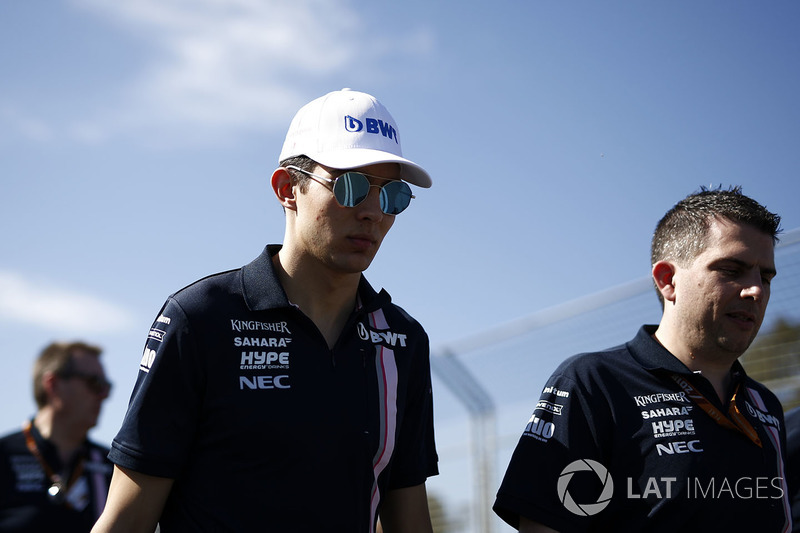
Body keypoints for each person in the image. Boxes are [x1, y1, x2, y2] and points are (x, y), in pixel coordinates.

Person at [92, 88, 438, 533]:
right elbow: (126, 521)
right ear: (286, 189)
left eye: (392, 195)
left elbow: (409, 519)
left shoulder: (403, 340)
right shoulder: (199, 320)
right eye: (350, 186)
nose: (373, 212)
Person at [493, 186, 791, 532]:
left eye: (765, 276)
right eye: (731, 269)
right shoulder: (593, 383)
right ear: (668, 280)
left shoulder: (765, 405)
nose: (755, 289)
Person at [0, 341, 114, 532]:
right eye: (95, 383)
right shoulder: (4, 456)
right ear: (52, 385)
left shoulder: (112, 467)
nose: (104, 395)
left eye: (107, 386)